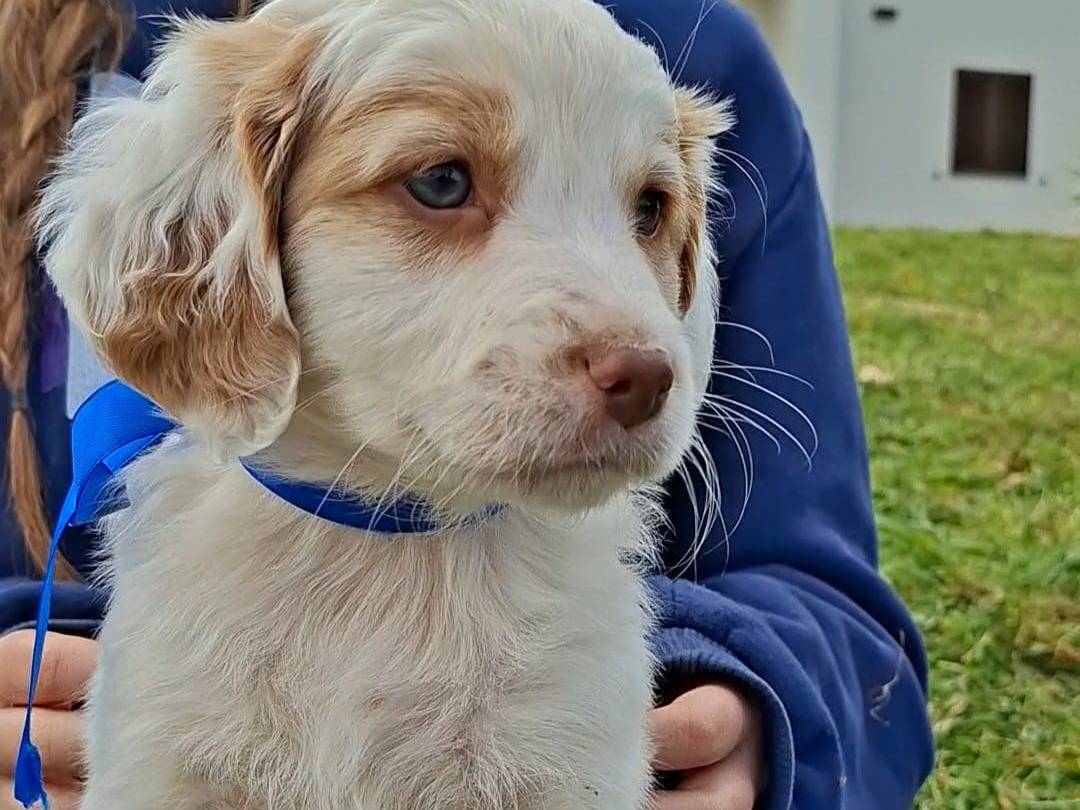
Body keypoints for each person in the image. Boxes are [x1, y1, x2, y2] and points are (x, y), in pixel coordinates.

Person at [0, 1, 935, 808]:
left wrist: (755, 697)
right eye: (441, 182)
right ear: (230, 239)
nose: (636, 340)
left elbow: (837, 614)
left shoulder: (684, 35)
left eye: (647, 210)